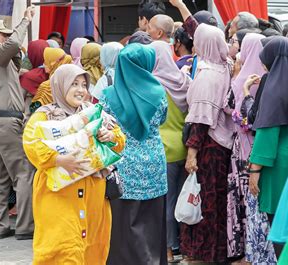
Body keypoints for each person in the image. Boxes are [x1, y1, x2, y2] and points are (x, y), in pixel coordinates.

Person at [23, 63, 126, 264]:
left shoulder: (94, 112)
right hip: (59, 194)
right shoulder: (45, 115)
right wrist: (58, 160)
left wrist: (109, 136)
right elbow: (30, 144)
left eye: (83, 85)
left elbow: (119, 139)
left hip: (94, 193)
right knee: (62, 246)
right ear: (60, 86)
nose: (80, 90)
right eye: (74, 84)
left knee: (93, 246)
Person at [101, 43, 168, 265]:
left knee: (123, 222)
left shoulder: (108, 95)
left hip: (122, 163)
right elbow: (162, 119)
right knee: (152, 220)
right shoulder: (159, 92)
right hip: (154, 163)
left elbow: (102, 127)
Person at [0, 7, 36, 240]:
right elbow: (11, 46)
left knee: (0, 177)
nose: (6, 38)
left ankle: (0, 226)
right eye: (3, 34)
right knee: (23, 174)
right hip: (3, 121)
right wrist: (25, 20)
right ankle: (24, 227)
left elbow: (14, 55)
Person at [182, 24, 234, 263]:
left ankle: (205, 252)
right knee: (219, 200)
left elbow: (200, 121)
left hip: (208, 148)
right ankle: (220, 250)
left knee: (205, 201)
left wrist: (192, 153)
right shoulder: (225, 67)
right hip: (224, 144)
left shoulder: (207, 76)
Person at [248, 36, 288, 258]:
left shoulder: (275, 90)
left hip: (279, 172)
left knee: (280, 224)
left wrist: (254, 171)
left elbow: (266, 136)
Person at [226, 33, 267, 259]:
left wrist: (239, 87)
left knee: (244, 199)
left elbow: (240, 118)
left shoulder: (243, 80)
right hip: (260, 149)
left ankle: (244, 250)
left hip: (243, 150)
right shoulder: (269, 78)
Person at [150, 40, 192, 264]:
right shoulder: (184, 80)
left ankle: (168, 249)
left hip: (162, 148)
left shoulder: (152, 84)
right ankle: (185, 247)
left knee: (167, 201)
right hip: (184, 147)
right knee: (184, 200)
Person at [30, 47, 73, 112]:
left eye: (47, 61)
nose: (44, 63)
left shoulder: (46, 86)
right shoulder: (73, 84)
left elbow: (33, 110)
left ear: (53, 64)